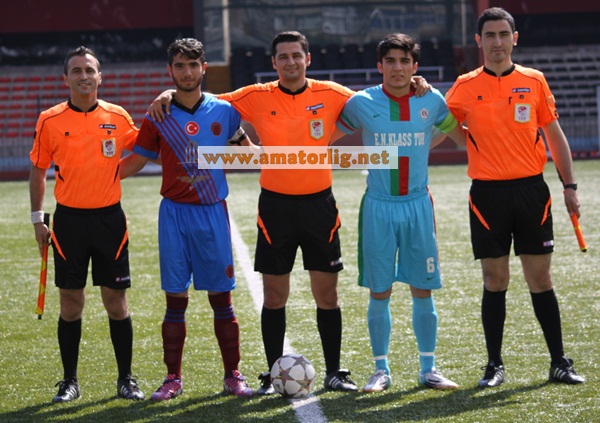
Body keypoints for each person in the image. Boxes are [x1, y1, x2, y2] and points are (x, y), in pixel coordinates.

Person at [149, 31, 431, 395]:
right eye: (283, 56)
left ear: (307, 59)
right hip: (275, 207)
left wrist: (415, 83)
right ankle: (272, 375)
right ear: (274, 62)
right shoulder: (255, 96)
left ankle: (334, 372)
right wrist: (167, 93)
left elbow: (379, 96)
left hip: (319, 206)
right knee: (274, 296)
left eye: (297, 55)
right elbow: (202, 98)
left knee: (327, 296)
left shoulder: (333, 93)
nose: (290, 62)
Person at [445, 7, 586, 388]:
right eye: (490, 35)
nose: (497, 42)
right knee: (495, 279)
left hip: (531, 191)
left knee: (540, 277)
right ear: (479, 41)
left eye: (503, 34)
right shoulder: (464, 85)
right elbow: (445, 126)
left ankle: (559, 362)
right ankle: (494, 365)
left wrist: (570, 186)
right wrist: (467, 140)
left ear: (515, 38)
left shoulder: (534, 80)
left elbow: (554, 136)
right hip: (487, 195)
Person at [119, 38, 255, 400]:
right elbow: (136, 160)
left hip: (212, 212)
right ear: (170, 71)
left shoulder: (225, 111)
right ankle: (172, 378)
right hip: (174, 215)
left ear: (204, 68)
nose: (187, 72)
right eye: (180, 66)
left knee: (221, 298)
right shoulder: (158, 115)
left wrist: (301, 157)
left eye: (193, 65)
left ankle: (232, 375)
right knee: (175, 298)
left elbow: (249, 154)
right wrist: (95, 179)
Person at [336, 33, 465, 392]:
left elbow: (461, 136)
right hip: (379, 207)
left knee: (423, 288)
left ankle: (429, 368)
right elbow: (323, 136)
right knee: (380, 290)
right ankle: (381, 370)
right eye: (390, 61)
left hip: (418, 205)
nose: (397, 68)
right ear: (379, 66)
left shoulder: (432, 100)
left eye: (404, 61)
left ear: (415, 66)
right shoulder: (361, 103)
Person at [29, 46, 145, 402]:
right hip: (69, 223)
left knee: (116, 302)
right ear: (65, 79)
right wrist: (37, 219)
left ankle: (126, 379)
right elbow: (38, 169)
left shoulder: (117, 116)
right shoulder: (49, 119)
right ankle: (69, 381)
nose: (84, 76)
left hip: (110, 220)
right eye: (77, 70)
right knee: (70, 303)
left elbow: (143, 151)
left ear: (100, 77)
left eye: (89, 70)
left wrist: (113, 175)